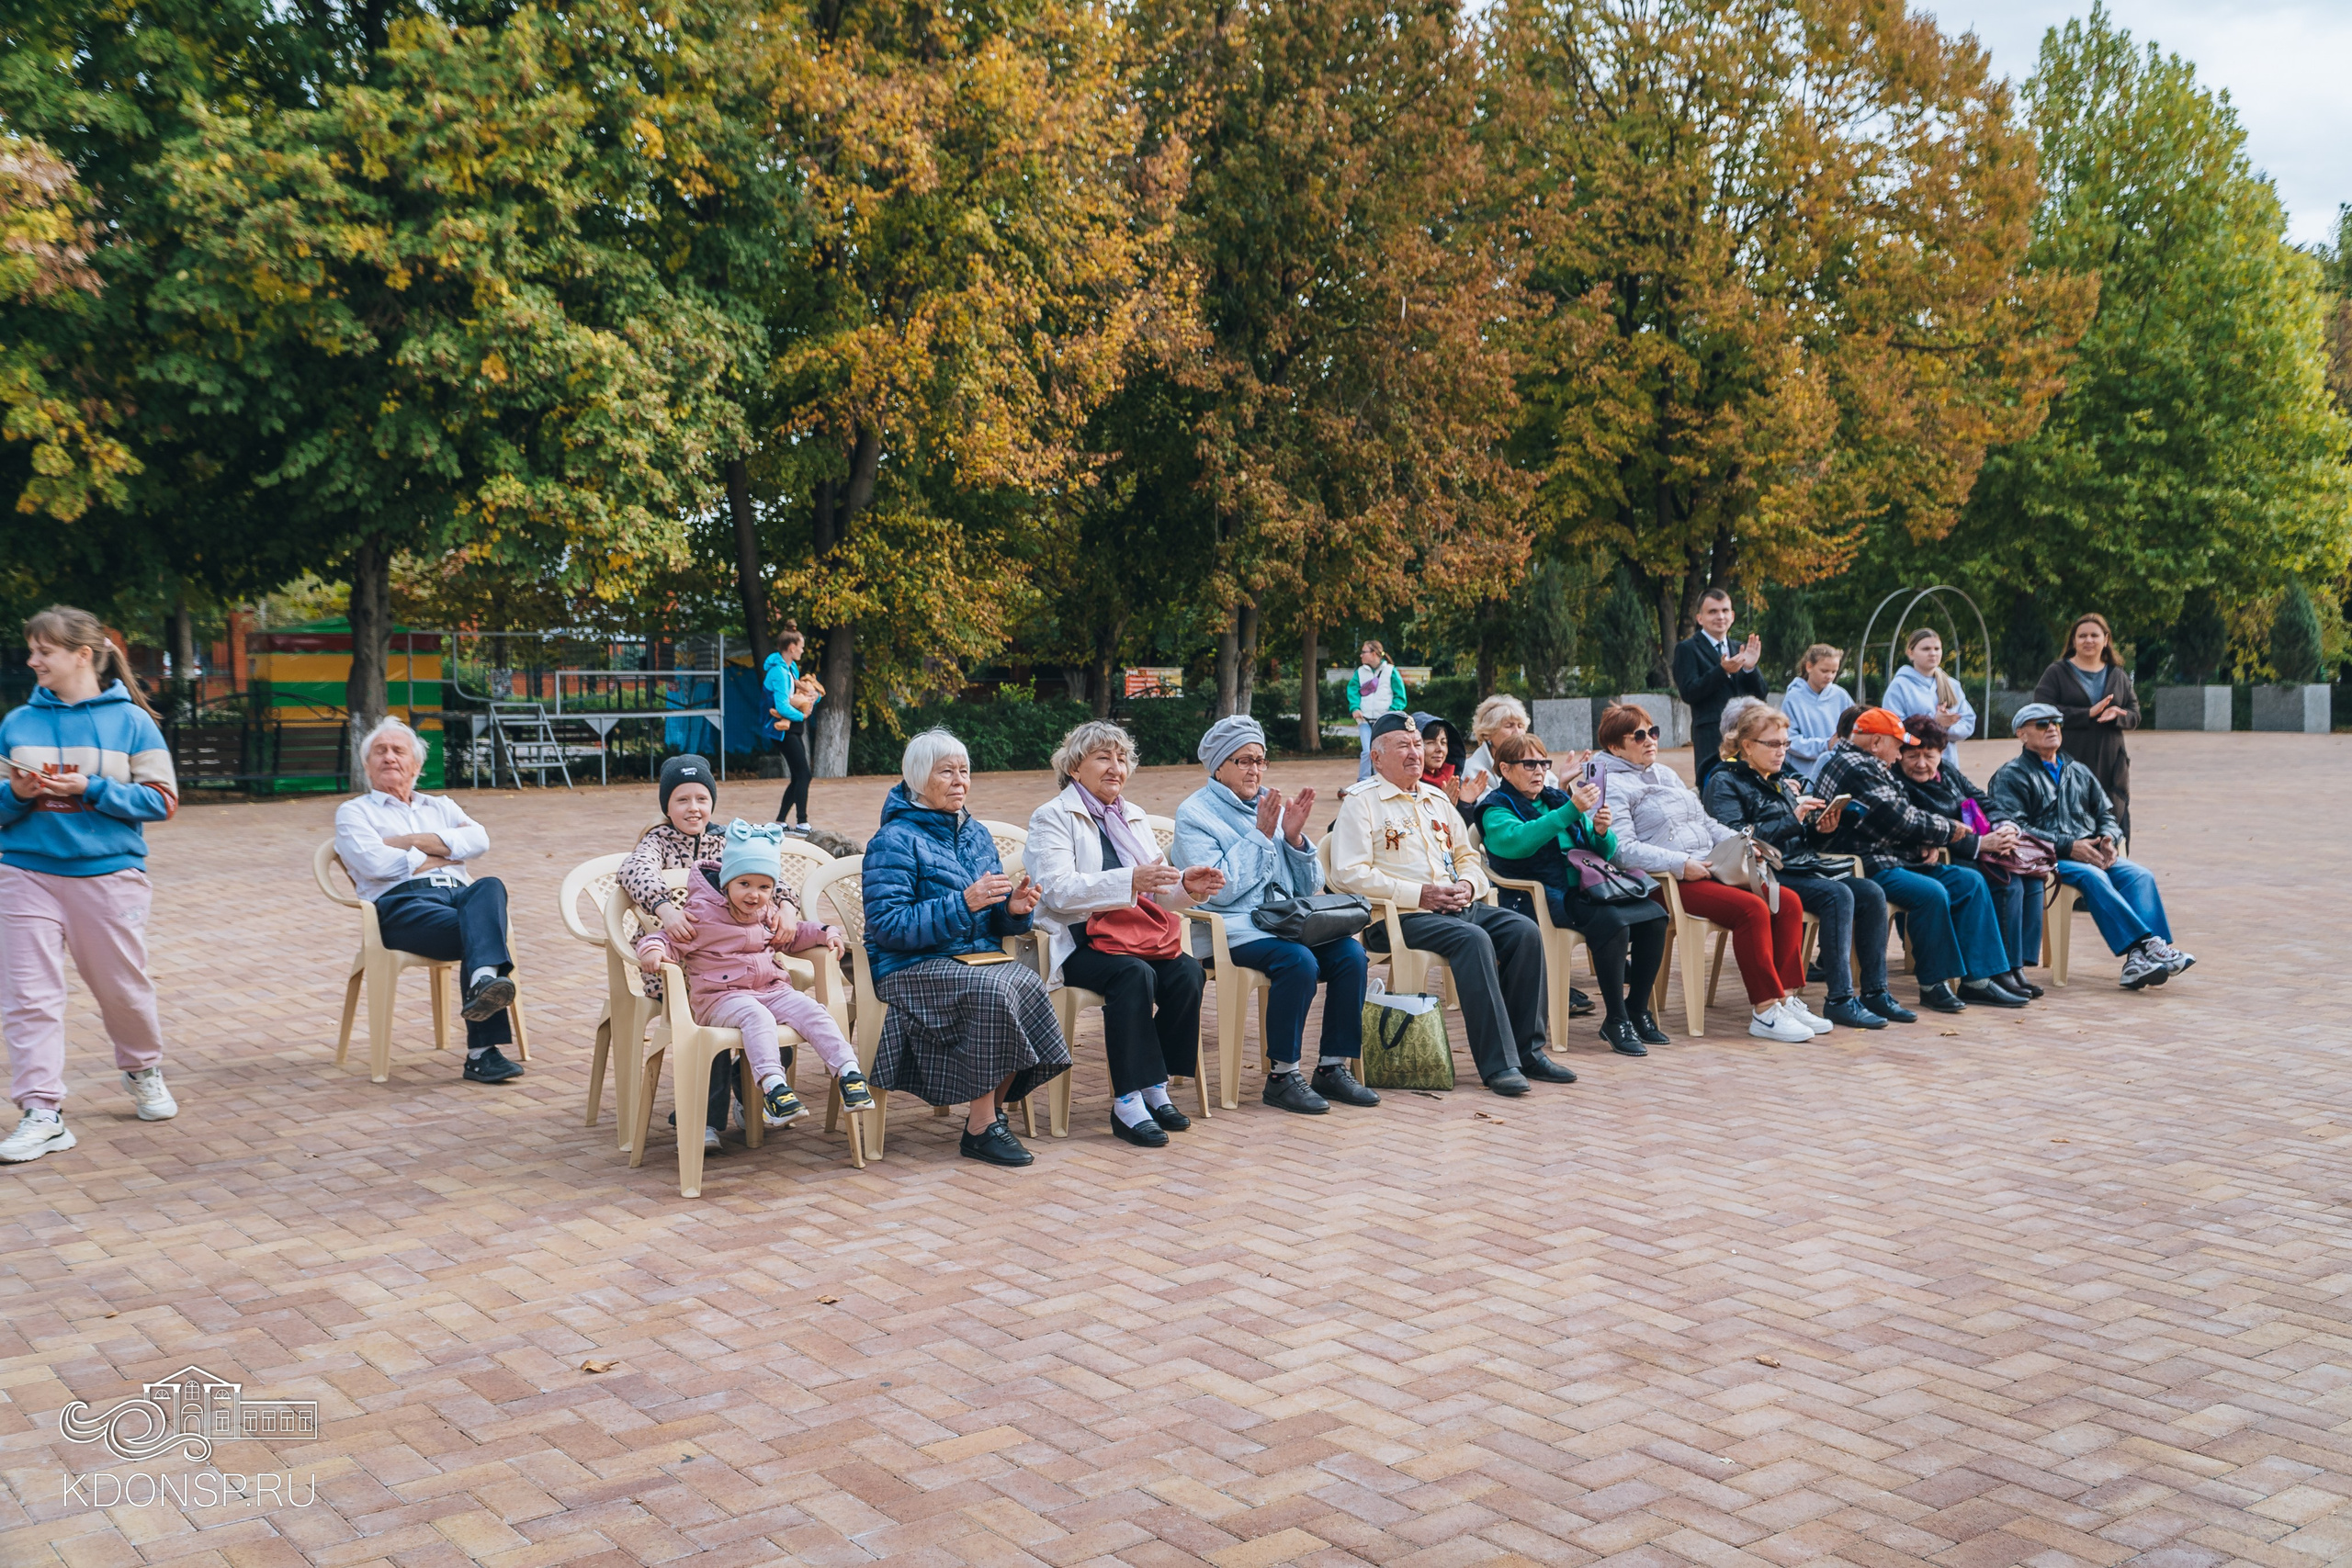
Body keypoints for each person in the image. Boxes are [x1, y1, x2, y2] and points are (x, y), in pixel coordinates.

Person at [0, 607, 179, 1165]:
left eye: (43, 652)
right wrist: (22, 795)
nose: (32, 661)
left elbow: (163, 800)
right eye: (31, 650)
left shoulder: (133, 723)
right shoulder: (16, 724)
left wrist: (93, 787)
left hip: (108, 876)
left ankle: (142, 1068)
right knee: (28, 998)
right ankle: (42, 1112)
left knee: (122, 991)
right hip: (24, 872)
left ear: (82, 655)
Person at [1329, 713, 1572, 1095]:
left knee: (1523, 931)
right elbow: (1348, 874)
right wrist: (1418, 894)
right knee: (1473, 939)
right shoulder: (1362, 803)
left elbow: (1468, 856)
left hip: (1456, 906)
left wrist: (1468, 885)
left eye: (1416, 745)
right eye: (1403, 746)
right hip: (1397, 917)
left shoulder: (1437, 798)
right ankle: (1500, 1065)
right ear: (1376, 758)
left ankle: (1529, 1051)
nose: (1415, 754)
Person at [862, 728, 1066, 1167]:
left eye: (965, 771)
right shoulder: (893, 840)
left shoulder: (975, 834)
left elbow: (995, 917)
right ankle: (980, 1127)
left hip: (970, 957)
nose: (960, 781)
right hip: (908, 965)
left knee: (1026, 982)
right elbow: (887, 926)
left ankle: (989, 1114)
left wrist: (1013, 909)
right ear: (919, 778)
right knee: (991, 991)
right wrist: (963, 901)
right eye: (946, 772)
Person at [1028, 720, 1226, 1148]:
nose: (1115, 767)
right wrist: (1130, 880)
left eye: (1121, 758)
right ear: (1075, 768)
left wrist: (1188, 886)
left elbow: (1159, 895)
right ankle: (1127, 1102)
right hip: (1078, 937)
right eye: (1103, 757)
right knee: (1134, 975)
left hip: (1133, 934)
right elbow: (1058, 892)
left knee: (1187, 973)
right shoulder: (1052, 817)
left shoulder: (1130, 815)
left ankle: (1156, 1087)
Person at [1173, 715, 1375, 1114]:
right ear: (1218, 766)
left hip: (1286, 923)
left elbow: (1307, 889)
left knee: (1351, 956)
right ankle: (1283, 1076)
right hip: (1231, 928)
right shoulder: (1194, 814)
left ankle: (1333, 1066)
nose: (1255, 770)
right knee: (1297, 962)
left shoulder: (1271, 804)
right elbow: (1219, 890)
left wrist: (1296, 839)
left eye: (1260, 760)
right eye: (1244, 761)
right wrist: (1261, 837)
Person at [1595, 703, 1817, 1042]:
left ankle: (1786, 998)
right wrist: (1681, 865)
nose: (1650, 740)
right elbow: (1622, 850)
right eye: (1638, 736)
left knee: (1785, 901)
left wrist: (1743, 842)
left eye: (1652, 732)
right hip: (1663, 881)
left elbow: (1705, 822)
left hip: (1708, 866)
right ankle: (1765, 1011)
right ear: (1614, 746)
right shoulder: (1610, 784)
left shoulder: (1666, 774)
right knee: (1752, 909)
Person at [635, 818, 873, 1131]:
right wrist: (652, 950)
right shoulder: (702, 914)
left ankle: (849, 1073)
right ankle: (774, 1089)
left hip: (770, 990)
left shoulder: (767, 913)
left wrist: (825, 933)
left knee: (812, 1010)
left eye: (764, 887)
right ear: (727, 883)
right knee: (757, 1016)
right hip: (721, 999)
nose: (754, 895)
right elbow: (665, 938)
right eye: (744, 884)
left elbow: (795, 935)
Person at [333, 716, 526, 1083]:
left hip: (459, 898)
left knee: (489, 887)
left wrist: (405, 843)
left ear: (416, 765)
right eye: (380, 751)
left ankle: (482, 981)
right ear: (367, 765)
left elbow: (480, 842)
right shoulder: (354, 812)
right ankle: (483, 1051)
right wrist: (444, 850)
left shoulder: (442, 805)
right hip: (403, 907)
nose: (389, 757)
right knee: (482, 934)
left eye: (398, 751)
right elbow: (373, 863)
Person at [1701, 702, 1904, 1030]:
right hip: (1763, 874)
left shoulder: (1777, 779)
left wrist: (1821, 829)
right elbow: (1735, 841)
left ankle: (1876, 991)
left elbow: (1797, 838)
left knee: (1870, 891)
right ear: (1748, 746)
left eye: (1785, 744)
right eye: (1773, 744)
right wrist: (1793, 819)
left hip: (1799, 867)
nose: (1782, 752)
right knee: (1837, 895)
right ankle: (1839, 999)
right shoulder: (1725, 781)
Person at [1812, 709, 2028, 1013]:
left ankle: (1978, 979)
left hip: (1893, 855)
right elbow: (1898, 816)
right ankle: (1933, 984)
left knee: (1970, 881)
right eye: (1899, 746)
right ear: (1876, 742)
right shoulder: (1858, 768)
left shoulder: (1867, 763)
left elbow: (1893, 819)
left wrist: (1928, 839)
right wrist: (1949, 830)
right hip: (1868, 863)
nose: (1901, 754)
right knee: (1931, 893)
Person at [1476, 731, 1668, 1055]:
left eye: (1543, 763)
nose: (1539, 771)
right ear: (1505, 769)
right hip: (1540, 896)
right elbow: (1518, 842)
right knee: (1613, 922)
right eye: (1529, 764)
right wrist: (1571, 810)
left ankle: (1636, 1007)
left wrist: (1603, 832)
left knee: (1654, 916)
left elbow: (1601, 851)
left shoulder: (1555, 797)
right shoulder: (1496, 807)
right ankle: (1615, 1019)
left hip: (1584, 889)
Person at [1990, 703, 2190, 991]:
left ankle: (2138, 960)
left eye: (2056, 723)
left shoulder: (2078, 770)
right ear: (2022, 734)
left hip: (2090, 853)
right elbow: (2014, 827)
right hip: (2048, 859)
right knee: (2091, 876)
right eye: (2042, 724)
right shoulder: (2010, 776)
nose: (2052, 729)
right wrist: (2067, 846)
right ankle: (2148, 945)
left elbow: (2106, 814)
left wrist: (2109, 839)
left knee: (2139, 875)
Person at [1895, 719, 2043, 998]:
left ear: (1941, 754)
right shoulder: (1899, 783)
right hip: (1947, 856)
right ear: (1900, 753)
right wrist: (1979, 843)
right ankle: (1997, 970)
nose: (1921, 763)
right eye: (1913, 755)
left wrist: (2004, 826)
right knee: (2004, 881)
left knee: (2031, 881)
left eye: (1930, 755)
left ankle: (2015, 965)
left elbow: (1981, 798)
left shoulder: (1947, 771)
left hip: (1974, 848)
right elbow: (1917, 825)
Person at [2030, 613, 2139, 840]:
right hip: (2070, 756)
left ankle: (2115, 862)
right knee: (2072, 814)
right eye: (2082, 636)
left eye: (2094, 635)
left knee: (2112, 816)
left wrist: (2118, 715)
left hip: (2110, 762)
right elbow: (2040, 710)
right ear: (2073, 641)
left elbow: (2135, 714)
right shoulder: (2057, 672)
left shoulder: (2118, 675)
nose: (2088, 640)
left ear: (2106, 639)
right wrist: (2086, 713)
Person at [1672, 589, 1766, 786]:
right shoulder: (1687, 649)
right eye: (1713, 611)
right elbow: (1689, 692)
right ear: (1700, 618)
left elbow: (1760, 695)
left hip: (1744, 735)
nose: (1720, 616)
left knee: (1747, 788)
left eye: (1725, 610)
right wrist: (1722, 672)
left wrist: (1750, 669)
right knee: (1715, 789)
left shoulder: (1740, 648)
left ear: (1732, 616)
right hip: (1711, 736)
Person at [762, 626, 819, 829]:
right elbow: (782, 706)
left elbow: (800, 694)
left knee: (798, 776)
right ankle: (802, 822)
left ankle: (779, 822)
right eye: (801, 647)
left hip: (792, 729)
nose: (803, 650)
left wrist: (813, 697)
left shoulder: (790, 669)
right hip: (781, 730)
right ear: (792, 647)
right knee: (804, 774)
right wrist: (802, 715)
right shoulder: (778, 672)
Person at [1883, 627, 1976, 747]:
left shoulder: (1952, 685)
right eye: (1926, 649)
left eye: (1937, 649)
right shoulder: (1899, 686)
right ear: (1910, 653)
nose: (1933, 653)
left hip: (1947, 762)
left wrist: (1947, 728)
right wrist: (1935, 722)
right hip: (1913, 759)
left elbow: (1968, 722)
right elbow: (1894, 727)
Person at [1782, 644, 1853, 785]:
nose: (1830, 676)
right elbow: (1789, 741)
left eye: (1834, 672)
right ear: (1809, 667)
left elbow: (1855, 727)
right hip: (1803, 776)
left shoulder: (1841, 695)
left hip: (1836, 771)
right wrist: (1825, 745)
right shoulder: (1793, 698)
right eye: (1824, 671)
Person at [1347, 639, 1407, 781]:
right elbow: (1353, 691)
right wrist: (1355, 707)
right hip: (1365, 721)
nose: (1361, 655)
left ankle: (1382, 780)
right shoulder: (1360, 673)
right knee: (1367, 751)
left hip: (1384, 722)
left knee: (1384, 752)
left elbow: (1400, 697)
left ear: (1374, 653)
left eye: (1364, 652)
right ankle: (1363, 781)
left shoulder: (1391, 671)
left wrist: (1391, 712)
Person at [1417, 713, 1470, 803]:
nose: (1440, 749)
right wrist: (1445, 804)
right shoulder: (1409, 786)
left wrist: (1465, 803)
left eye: (1443, 742)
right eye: (1431, 742)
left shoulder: (1454, 781)